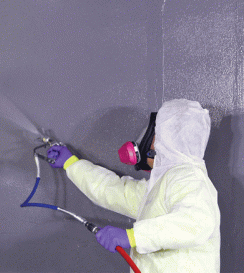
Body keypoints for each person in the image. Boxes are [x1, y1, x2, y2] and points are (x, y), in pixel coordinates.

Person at [47, 99, 220, 272]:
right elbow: (113, 191)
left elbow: (196, 223)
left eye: (155, 134)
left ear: (169, 139)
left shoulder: (188, 178)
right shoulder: (161, 186)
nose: (149, 142)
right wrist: (71, 163)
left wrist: (133, 236)